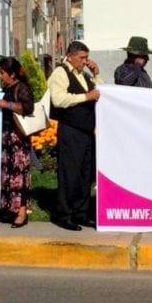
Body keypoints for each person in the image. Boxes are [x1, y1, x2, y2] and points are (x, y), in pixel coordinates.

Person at [49, 41, 101, 231]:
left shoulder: (83, 75)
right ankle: (64, 214)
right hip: (71, 130)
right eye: (82, 58)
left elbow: (99, 94)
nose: (85, 61)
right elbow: (59, 99)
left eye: (86, 58)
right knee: (69, 174)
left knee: (85, 174)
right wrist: (85, 97)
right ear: (70, 56)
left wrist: (96, 75)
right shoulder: (60, 73)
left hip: (86, 131)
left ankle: (81, 212)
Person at [0, 57, 34, 228]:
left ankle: (21, 212)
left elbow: (28, 107)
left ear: (11, 74)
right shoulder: (5, 88)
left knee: (19, 175)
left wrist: (7, 105)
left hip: (18, 138)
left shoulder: (21, 88)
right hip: (6, 138)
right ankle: (10, 209)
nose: (0, 76)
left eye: (2, 73)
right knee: (7, 175)